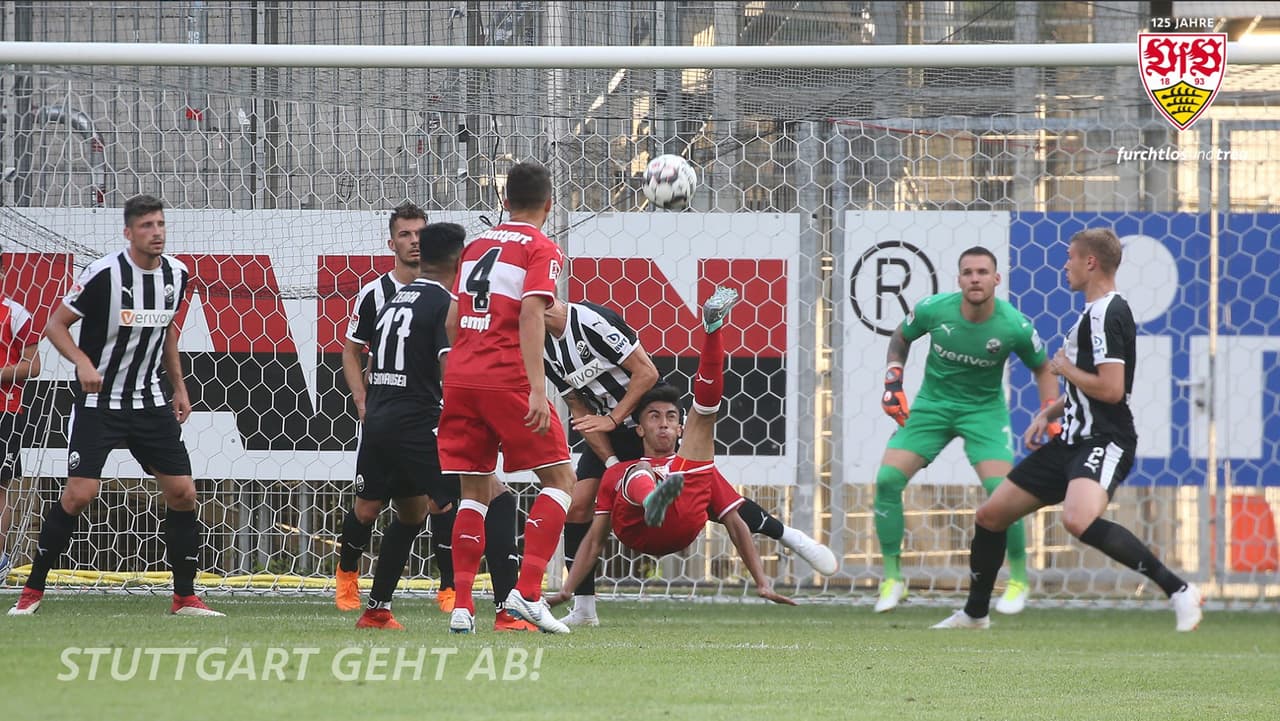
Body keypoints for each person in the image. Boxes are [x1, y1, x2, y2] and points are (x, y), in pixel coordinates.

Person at [933, 228, 1202, 631]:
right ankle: (975, 614)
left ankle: (1179, 590)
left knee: (1077, 519)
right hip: (1070, 441)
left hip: (1104, 439)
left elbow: (1111, 390)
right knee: (990, 516)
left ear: (1090, 262)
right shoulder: (1093, 312)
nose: (1065, 266)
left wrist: (1064, 368)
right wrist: (1051, 411)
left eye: (1070, 258)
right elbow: (1088, 386)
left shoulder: (1107, 313)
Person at [544, 299, 836, 626]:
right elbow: (578, 407)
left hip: (645, 416)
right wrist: (612, 461)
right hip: (610, 430)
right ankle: (584, 609)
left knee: (716, 501)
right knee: (579, 505)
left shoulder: (591, 321)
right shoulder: (542, 348)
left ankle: (789, 536)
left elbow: (647, 372)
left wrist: (616, 419)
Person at [8, 194, 221, 616]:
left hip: (150, 401)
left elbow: (167, 332)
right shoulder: (103, 273)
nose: (156, 233)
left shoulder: (177, 274)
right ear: (128, 232)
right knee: (79, 495)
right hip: (99, 401)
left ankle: (184, 597)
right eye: (146, 226)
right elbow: (56, 325)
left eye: (160, 224)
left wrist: (179, 387)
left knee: (183, 493)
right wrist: (83, 363)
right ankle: (32, 591)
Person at [872, 246, 1060, 615]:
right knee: (887, 480)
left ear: (996, 279)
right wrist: (893, 380)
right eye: (968, 272)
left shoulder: (1014, 325)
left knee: (1004, 493)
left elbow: (1043, 368)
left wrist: (1049, 414)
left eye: (983, 272)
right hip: (933, 407)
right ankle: (892, 579)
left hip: (984, 413)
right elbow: (901, 336)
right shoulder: (933, 309)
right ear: (959, 279)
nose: (975, 278)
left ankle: (1018, 580)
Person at [437, 160, 577, 635]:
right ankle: (529, 592)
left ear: (504, 201)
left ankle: (462, 607)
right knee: (561, 478)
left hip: (462, 376)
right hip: (506, 377)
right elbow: (531, 315)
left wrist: (464, 367)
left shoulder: (476, 246)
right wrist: (537, 389)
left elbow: (452, 320)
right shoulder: (542, 248)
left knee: (473, 492)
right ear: (549, 205)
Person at [334, 222, 464, 630]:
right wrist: (466, 417)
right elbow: (449, 369)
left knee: (411, 512)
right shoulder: (438, 302)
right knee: (458, 500)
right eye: (405, 234)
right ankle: (484, 602)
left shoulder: (397, 300)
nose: (412, 241)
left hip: (385, 419)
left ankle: (379, 609)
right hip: (414, 421)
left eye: (418, 235)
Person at [0, 247, 42, 580]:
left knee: (0, 487)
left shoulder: (16, 314)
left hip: (4, 411)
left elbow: (33, 365)